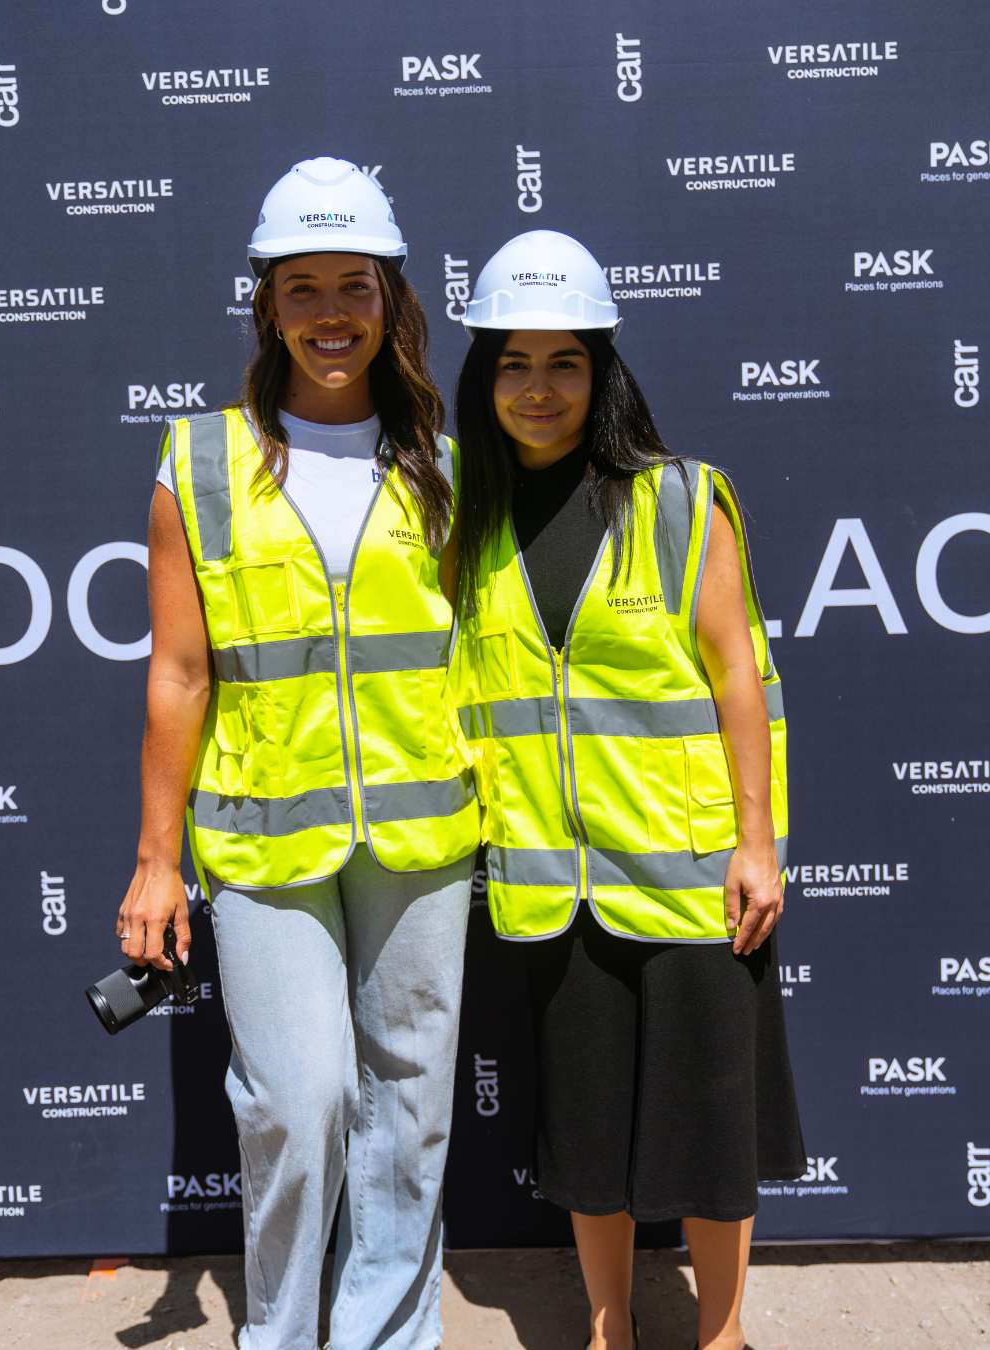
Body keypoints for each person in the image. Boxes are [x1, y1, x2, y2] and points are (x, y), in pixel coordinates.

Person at [116, 158, 480, 1350]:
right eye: (303, 287)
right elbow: (180, 673)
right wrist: (156, 862)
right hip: (263, 835)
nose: (332, 314)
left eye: (355, 286)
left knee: (412, 1107)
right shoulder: (201, 462)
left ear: (392, 300)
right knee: (299, 1097)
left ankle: (386, 1336)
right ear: (267, 302)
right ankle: (280, 1334)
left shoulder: (444, 466)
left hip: (421, 835)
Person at [449, 230, 804, 1350]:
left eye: (565, 362)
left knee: (711, 1125)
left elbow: (739, 674)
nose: (538, 387)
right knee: (588, 1131)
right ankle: (611, 1327)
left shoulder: (680, 499)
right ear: (485, 377)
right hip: (557, 889)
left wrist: (758, 843)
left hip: (691, 873)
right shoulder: (472, 524)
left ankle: (723, 1332)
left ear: (602, 371)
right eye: (514, 362)